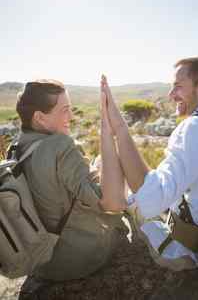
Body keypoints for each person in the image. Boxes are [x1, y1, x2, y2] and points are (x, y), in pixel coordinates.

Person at [101, 56, 198, 271]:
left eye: (178, 87)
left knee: (135, 204)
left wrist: (119, 128)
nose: (171, 95)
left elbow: (153, 198)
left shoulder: (196, 127)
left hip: (197, 248)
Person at [15, 79, 127, 286]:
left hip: (41, 262)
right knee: (112, 169)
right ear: (40, 117)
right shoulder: (60, 146)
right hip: (75, 261)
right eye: (64, 110)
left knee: (99, 165)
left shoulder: (17, 146)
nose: (71, 116)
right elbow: (113, 203)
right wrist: (107, 128)